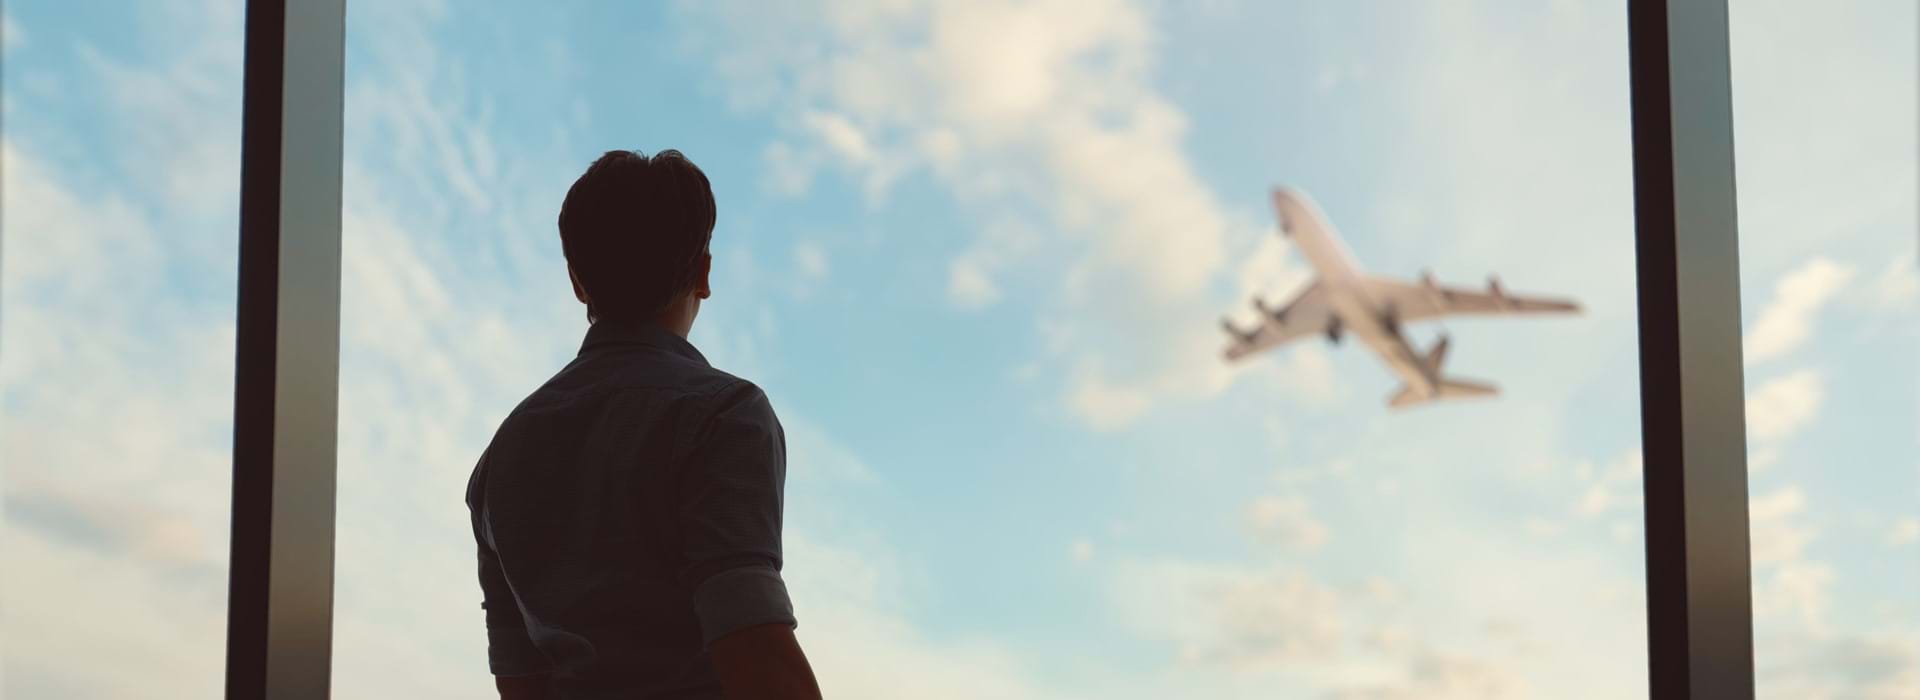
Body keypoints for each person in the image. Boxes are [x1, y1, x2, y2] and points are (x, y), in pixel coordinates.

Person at [466, 149, 822, 700]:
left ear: (577, 281)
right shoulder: (723, 415)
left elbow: (518, 679)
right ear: (704, 272)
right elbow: (752, 645)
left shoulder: (502, 455)